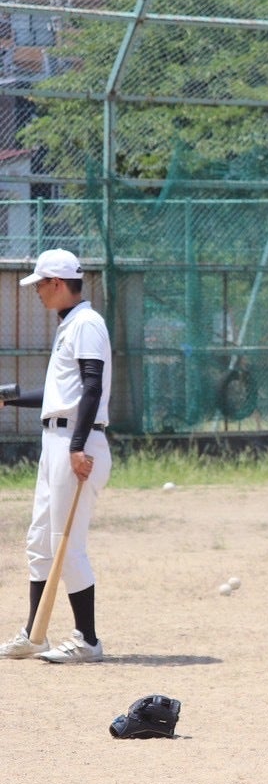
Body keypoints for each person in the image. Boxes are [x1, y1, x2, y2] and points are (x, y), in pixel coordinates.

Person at [0, 249, 114, 663]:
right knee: (39, 541)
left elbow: (92, 386)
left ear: (58, 283)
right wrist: (9, 400)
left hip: (76, 444)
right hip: (57, 442)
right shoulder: (70, 325)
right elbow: (58, 398)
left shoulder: (87, 323)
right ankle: (35, 634)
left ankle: (88, 640)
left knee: (66, 543)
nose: (37, 292)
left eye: (41, 285)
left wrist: (78, 445)